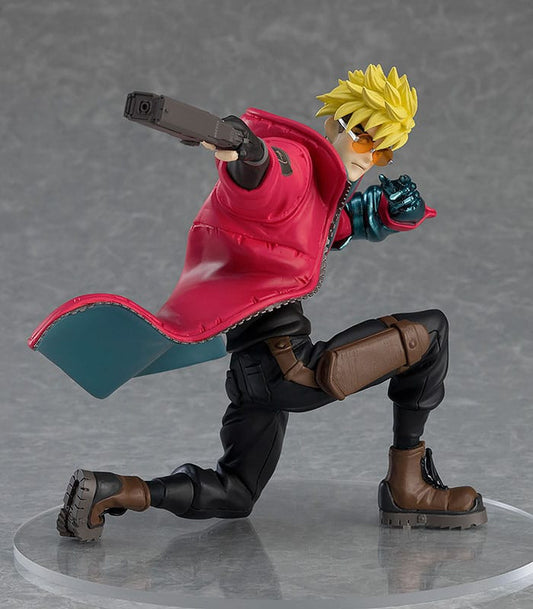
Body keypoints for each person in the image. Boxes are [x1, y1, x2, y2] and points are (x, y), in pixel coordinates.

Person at [56, 64, 487, 542]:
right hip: (291, 369)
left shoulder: (315, 191)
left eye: (384, 152)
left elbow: (331, 224)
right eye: (366, 140)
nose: (371, 159)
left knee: (235, 493)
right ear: (334, 124)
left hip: (252, 371)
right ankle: (409, 489)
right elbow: (267, 176)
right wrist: (249, 152)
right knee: (429, 334)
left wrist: (384, 211)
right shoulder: (296, 164)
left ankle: (114, 490)